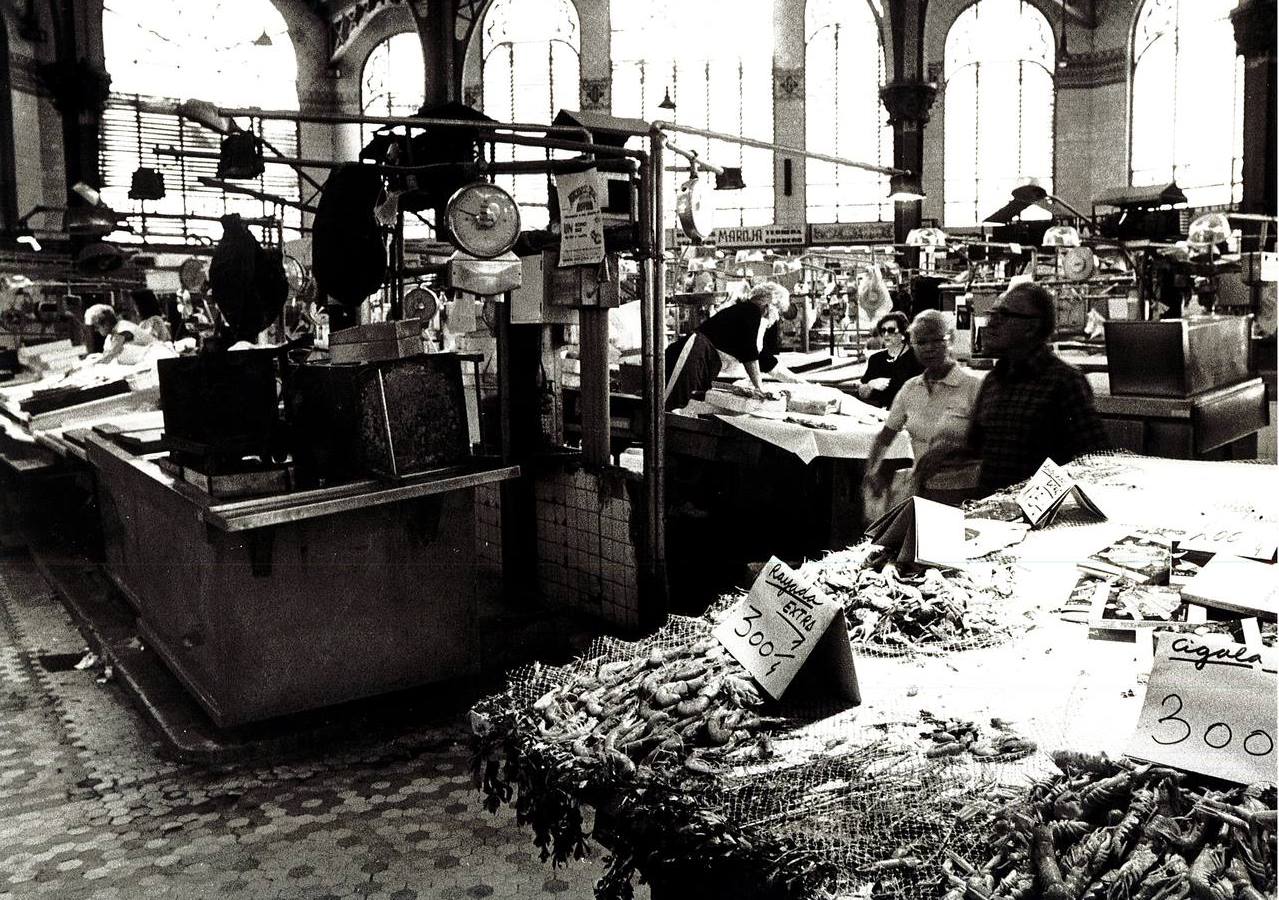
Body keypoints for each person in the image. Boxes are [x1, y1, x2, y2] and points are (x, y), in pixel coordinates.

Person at [968, 282, 1109, 493]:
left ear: (1031, 327)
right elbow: (976, 449)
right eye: (993, 313)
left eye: (1004, 315)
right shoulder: (993, 381)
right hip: (988, 518)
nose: (992, 323)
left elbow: (1095, 463)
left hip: (1037, 520)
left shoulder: (1064, 382)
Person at [864, 310, 984, 504]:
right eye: (921, 342)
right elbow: (885, 436)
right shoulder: (910, 388)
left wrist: (952, 450)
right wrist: (872, 471)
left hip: (965, 494)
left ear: (950, 340)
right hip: (922, 491)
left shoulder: (973, 387)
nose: (929, 348)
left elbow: (987, 444)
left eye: (936, 340)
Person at [664, 281, 805, 411]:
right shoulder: (750, 312)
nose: (778, 317)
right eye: (779, 311)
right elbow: (749, 354)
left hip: (706, 360)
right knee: (674, 402)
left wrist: (797, 381)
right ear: (769, 305)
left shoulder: (754, 317)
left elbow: (764, 359)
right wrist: (759, 387)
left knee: (686, 404)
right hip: (694, 353)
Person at [854, 311, 923, 408]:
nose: (886, 334)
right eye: (883, 330)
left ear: (903, 333)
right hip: (878, 414)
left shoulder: (916, 358)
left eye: (891, 330)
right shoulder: (876, 359)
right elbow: (862, 393)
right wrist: (870, 385)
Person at [83, 303, 155, 366]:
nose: (96, 330)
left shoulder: (123, 327)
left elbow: (113, 352)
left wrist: (93, 365)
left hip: (155, 359)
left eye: (97, 327)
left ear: (106, 323)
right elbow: (106, 354)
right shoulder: (109, 338)